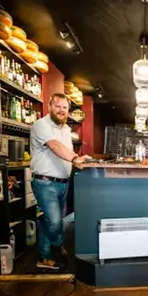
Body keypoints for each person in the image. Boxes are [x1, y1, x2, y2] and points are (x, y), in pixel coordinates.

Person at [29, 93, 91, 270]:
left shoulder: (65, 130)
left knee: (51, 221)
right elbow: (55, 146)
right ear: (50, 106)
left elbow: (65, 151)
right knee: (55, 222)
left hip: (63, 183)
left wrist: (81, 160)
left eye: (65, 107)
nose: (61, 110)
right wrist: (74, 159)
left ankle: (44, 257)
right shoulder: (41, 125)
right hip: (45, 183)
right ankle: (58, 247)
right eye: (58, 106)